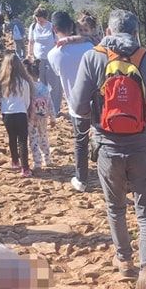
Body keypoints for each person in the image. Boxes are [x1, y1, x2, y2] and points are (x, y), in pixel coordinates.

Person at [69, 9, 146, 278]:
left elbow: (78, 106)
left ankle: (124, 262)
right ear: (135, 33)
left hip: (107, 145)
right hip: (143, 146)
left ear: (108, 32)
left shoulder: (92, 57)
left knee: (116, 207)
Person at [46, 11, 93, 192]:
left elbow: (59, 74)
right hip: (97, 101)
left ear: (54, 28)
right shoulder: (89, 47)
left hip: (76, 105)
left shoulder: (53, 55)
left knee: (81, 141)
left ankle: (81, 179)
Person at [0, 53, 34, 177]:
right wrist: (26, 109)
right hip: (20, 113)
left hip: (7, 114)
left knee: (12, 137)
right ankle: (25, 168)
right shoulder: (24, 82)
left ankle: (14, 161)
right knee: (23, 140)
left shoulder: (2, 82)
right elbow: (27, 100)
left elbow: (0, 98)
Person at [26, 6, 63, 116]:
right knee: (40, 85)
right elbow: (31, 42)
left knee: (54, 85)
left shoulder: (52, 27)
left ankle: (55, 109)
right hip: (38, 59)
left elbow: (58, 42)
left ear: (45, 17)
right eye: (37, 18)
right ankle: (41, 108)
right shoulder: (33, 27)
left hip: (51, 59)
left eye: (40, 18)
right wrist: (29, 54)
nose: (39, 20)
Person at [24, 58, 54, 170]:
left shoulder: (28, 89)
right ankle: (48, 159)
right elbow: (50, 103)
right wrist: (53, 117)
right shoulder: (44, 87)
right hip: (43, 117)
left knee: (33, 140)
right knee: (44, 138)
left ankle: (37, 162)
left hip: (31, 119)